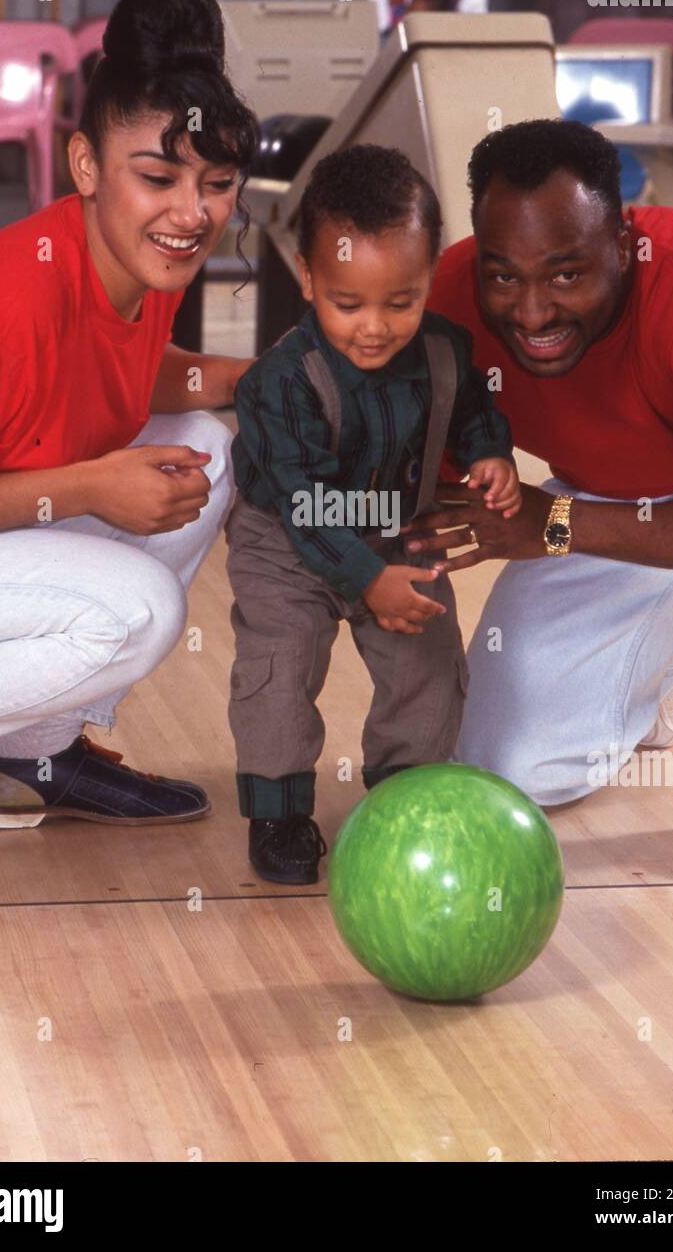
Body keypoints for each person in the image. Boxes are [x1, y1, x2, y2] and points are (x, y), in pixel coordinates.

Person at [0, 0, 258, 859]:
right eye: (158, 178)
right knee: (134, 610)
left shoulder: (128, 268)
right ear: (86, 167)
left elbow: (126, 372)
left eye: (216, 183)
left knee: (205, 450)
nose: (191, 214)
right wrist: (89, 489)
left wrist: (260, 378)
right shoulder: (1, 303)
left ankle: (29, 762)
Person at [401, 119, 673, 878]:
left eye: (567, 274)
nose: (533, 311)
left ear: (623, 243)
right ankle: (660, 667)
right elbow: (425, 490)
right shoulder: (448, 300)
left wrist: (554, 523)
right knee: (509, 767)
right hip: (613, 507)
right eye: (505, 275)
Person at [225, 145, 517, 884]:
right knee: (281, 661)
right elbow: (304, 504)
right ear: (307, 278)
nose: (375, 328)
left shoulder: (447, 350)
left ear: (428, 281)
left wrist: (491, 455)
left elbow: (476, 407)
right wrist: (367, 577)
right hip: (287, 542)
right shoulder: (279, 384)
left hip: (400, 528)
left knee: (426, 656)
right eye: (347, 303)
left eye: (403, 301)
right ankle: (281, 810)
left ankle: (407, 787)